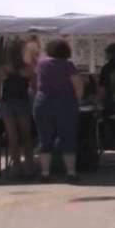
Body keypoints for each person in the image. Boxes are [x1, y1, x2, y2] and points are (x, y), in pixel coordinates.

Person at [33, 38, 84, 183]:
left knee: (45, 139)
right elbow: (78, 86)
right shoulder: (68, 65)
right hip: (65, 103)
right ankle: (71, 173)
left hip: (43, 103)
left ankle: (45, 173)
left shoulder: (42, 63)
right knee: (67, 137)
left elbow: (37, 82)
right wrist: (77, 101)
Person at [0, 39, 35, 179]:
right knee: (26, 136)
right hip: (22, 102)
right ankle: (29, 165)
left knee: (12, 136)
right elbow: (35, 88)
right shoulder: (28, 68)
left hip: (7, 103)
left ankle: (16, 167)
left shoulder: (3, 68)